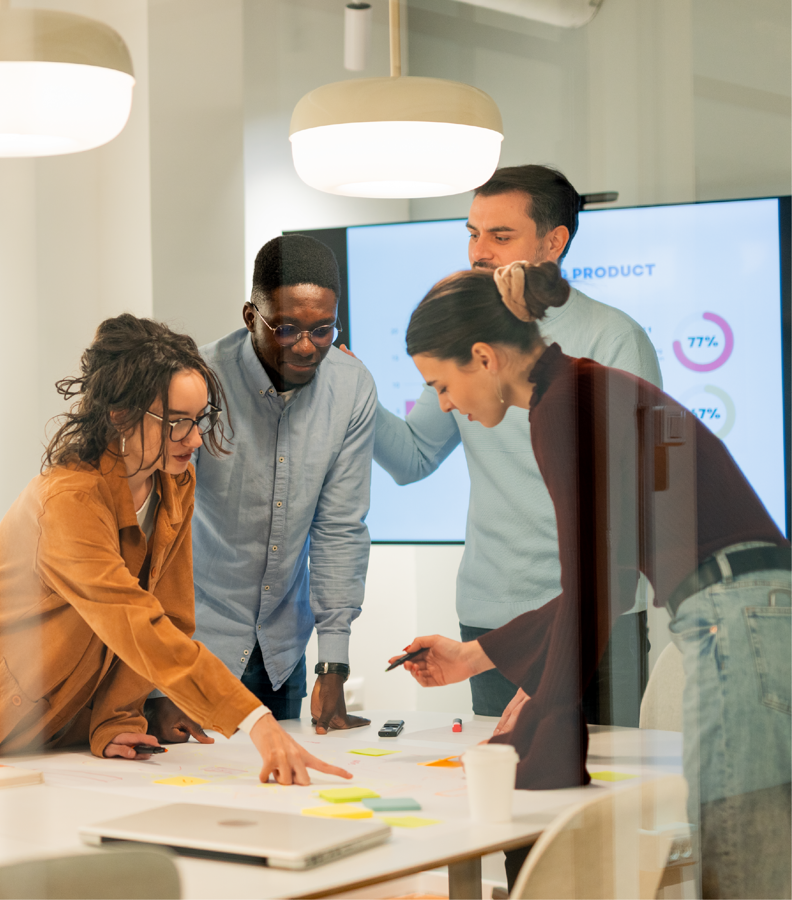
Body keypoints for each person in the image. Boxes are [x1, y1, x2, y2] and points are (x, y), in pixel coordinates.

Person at [394, 262, 791, 897]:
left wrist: (541, 722)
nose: (445, 404)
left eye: (441, 385)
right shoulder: (580, 388)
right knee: (748, 857)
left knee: (740, 864)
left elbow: (596, 581)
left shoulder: (562, 407)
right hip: (749, 608)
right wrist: (484, 657)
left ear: (482, 358)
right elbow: (601, 577)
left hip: (734, 613)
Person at [0, 314, 352, 787]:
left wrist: (117, 718)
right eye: (178, 423)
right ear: (120, 414)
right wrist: (253, 719)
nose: (195, 439)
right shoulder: (67, 501)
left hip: (48, 721)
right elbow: (134, 620)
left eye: (200, 421)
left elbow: (170, 614)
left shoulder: (173, 480)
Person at [369, 165, 661, 726]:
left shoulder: (612, 340)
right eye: (473, 234)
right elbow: (411, 458)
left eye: (500, 237)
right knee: (503, 788)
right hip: (492, 610)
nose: (480, 253)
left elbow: (628, 510)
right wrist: (346, 384)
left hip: (600, 612)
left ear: (554, 243)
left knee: (601, 790)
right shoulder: (464, 336)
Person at [146, 235, 376, 740]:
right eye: (287, 327)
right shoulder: (199, 381)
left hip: (281, 653)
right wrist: (159, 684)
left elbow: (338, 528)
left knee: (282, 801)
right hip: (194, 646)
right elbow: (157, 529)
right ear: (251, 316)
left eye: (323, 329)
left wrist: (331, 665)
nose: (306, 345)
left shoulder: (353, 387)